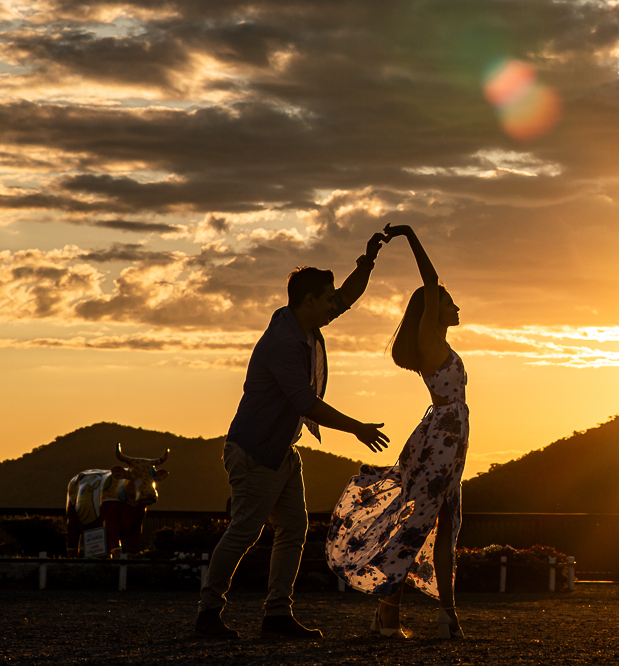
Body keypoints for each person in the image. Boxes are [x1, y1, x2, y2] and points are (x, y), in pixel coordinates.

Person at [195, 232, 392, 640]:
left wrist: (367, 262)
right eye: (327, 299)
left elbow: (348, 296)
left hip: (279, 450)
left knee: (293, 529)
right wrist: (357, 427)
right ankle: (208, 613)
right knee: (245, 532)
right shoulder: (284, 342)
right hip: (254, 451)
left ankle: (277, 616)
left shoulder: (301, 324)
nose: (334, 305)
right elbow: (305, 402)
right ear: (308, 301)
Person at [327, 223, 468, 640]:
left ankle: (446, 615)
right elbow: (430, 281)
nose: (455, 305)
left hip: (449, 439)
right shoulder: (429, 337)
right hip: (441, 439)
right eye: (448, 302)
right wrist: (407, 235)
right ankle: (390, 612)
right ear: (431, 310)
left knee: (445, 525)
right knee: (420, 524)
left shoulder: (439, 340)